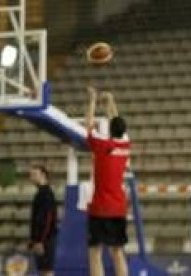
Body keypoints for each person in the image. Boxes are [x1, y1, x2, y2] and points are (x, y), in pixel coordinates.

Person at [86, 87, 131, 276]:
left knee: (95, 253)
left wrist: (93, 100)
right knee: (117, 251)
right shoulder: (126, 145)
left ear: (110, 130)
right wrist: (111, 101)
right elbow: (116, 120)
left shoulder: (102, 146)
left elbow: (88, 125)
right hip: (119, 207)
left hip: (100, 207)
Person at [28, 165, 58, 276]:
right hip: (41, 240)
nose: (31, 177)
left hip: (46, 240)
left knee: (47, 271)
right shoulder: (40, 193)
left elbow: (48, 219)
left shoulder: (46, 194)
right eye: (30, 175)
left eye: (34, 174)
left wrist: (40, 240)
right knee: (42, 270)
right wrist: (33, 239)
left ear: (43, 175)